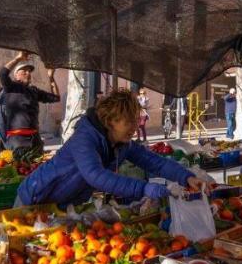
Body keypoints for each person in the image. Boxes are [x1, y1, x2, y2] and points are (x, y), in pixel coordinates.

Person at [16, 89, 206, 208]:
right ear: (111, 121)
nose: (134, 127)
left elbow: (155, 162)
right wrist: (144, 188)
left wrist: (186, 177)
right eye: (129, 122)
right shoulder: (84, 139)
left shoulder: (122, 144)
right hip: (35, 198)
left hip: (64, 205)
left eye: (136, 121)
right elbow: (95, 175)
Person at [0, 51, 60, 154]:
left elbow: (55, 98)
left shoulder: (34, 90)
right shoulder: (11, 87)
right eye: (24, 71)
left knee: (38, 168)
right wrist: (18, 58)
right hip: (18, 140)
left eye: (29, 71)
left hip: (35, 139)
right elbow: (3, 74)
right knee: (20, 168)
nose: (28, 73)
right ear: (16, 75)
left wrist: (51, 77)